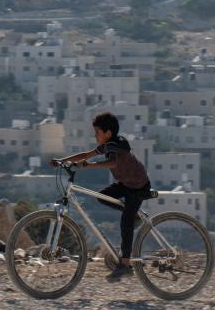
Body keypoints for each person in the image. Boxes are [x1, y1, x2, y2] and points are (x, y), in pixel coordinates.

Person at [50, 111, 151, 281]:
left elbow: (113, 163)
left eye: (97, 133)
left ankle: (125, 265)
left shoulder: (118, 145)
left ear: (108, 133)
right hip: (126, 184)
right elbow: (85, 155)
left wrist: (89, 165)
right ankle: (132, 215)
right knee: (102, 196)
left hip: (138, 186)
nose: (95, 136)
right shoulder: (106, 146)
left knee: (126, 223)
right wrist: (62, 160)